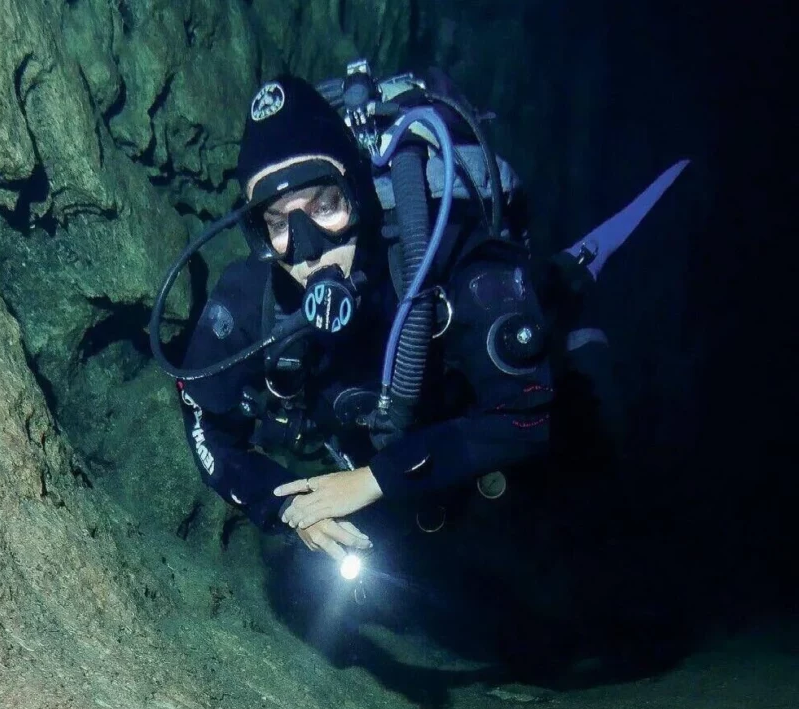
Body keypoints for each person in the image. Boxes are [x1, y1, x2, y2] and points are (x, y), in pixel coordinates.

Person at [151, 67, 689, 568]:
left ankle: (573, 313)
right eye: (277, 221)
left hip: (468, 435)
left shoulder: (439, 252)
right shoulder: (249, 299)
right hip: (397, 472)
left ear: (357, 193)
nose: (309, 250)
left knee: (576, 467)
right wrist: (285, 506)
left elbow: (524, 416)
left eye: (323, 206)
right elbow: (206, 424)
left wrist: (374, 479)